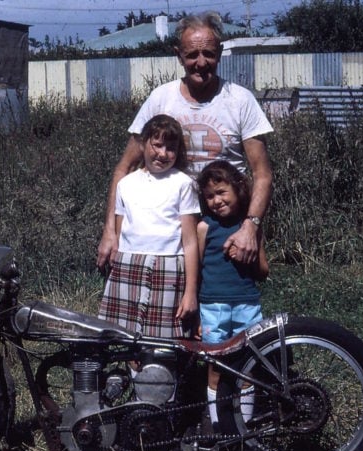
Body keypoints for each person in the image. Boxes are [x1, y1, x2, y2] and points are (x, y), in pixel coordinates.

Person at [97, 11, 273, 273]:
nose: (201, 63)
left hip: (226, 222)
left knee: (231, 298)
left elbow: (262, 174)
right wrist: (110, 231)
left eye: (209, 54)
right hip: (170, 223)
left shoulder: (240, 100)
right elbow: (124, 168)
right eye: (192, 55)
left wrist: (250, 226)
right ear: (179, 55)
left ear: (220, 52)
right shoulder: (161, 99)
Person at [97, 114, 200, 339]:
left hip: (169, 268)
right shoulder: (126, 184)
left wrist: (190, 291)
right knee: (125, 340)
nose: (163, 154)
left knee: (164, 344)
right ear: (143, 144)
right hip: (128, 266)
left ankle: (163, 375)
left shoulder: (184, 184)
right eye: (157, 145)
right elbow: (120, 232)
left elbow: (191, 242)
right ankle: (130, 374)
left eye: (171, 148)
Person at [196, 160, 269, 426]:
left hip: (246, 305)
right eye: (209, 196)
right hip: (212, 306)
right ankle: (218, 426)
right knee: (214, 365)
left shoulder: (251, 228)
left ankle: (245, 426)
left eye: (221, 192)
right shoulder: (204, 227)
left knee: (248, 365)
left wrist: (245, 258)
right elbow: (195, 270)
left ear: (238, 189)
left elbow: (263, 271)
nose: (216, 200)